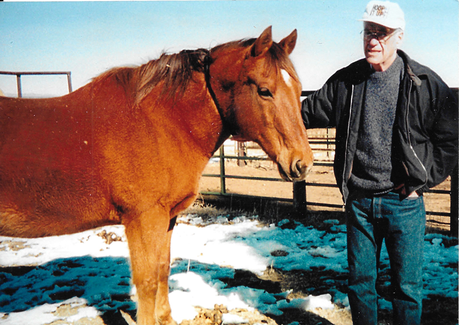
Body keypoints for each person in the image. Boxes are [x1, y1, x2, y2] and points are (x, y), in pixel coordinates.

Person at [301, 1, 458, 324]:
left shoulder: (424, 83)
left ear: (399, 37)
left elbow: (451, 137)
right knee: (360, 285)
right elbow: (306, 111)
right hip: (359, 202)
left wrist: (422, 180)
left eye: (382, 33)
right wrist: (252, 121)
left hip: (403, 203)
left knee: (407, 288)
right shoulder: (348, 81)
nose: (373, 40)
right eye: (368, 32)